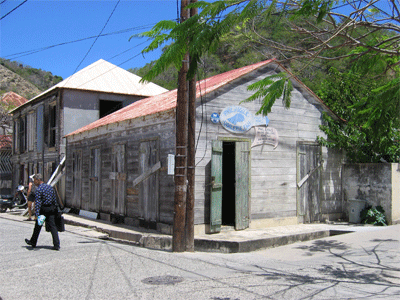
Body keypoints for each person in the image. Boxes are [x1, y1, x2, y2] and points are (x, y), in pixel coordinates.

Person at [25, 173, 60, 250]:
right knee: (52, 226)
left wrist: (37, 214)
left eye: (35, 180)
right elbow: (54, 199)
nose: (34, 182)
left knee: (38, 226)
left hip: (43, 210)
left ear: (38, 180)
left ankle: (33, 242)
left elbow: (38, 202)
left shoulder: (39, 189)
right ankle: (56, 244)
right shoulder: (50, 187)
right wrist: (55, 209)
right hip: (51, 209)